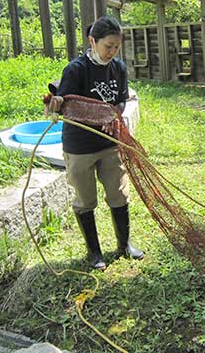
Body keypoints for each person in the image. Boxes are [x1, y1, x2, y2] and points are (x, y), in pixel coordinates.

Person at [47, 16, 144, 271]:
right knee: (85, 199)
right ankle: (94, 253)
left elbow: (121, 100)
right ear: (93, 41)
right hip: (80, 147)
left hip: (110, 143)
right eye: (107, 46)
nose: (112, 52)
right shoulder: (76, 69)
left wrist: (113, 114)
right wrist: (55, 103)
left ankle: (124, 245)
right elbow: (64, 101)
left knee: (119, 193)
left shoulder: (118, 68)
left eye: (116, 47)